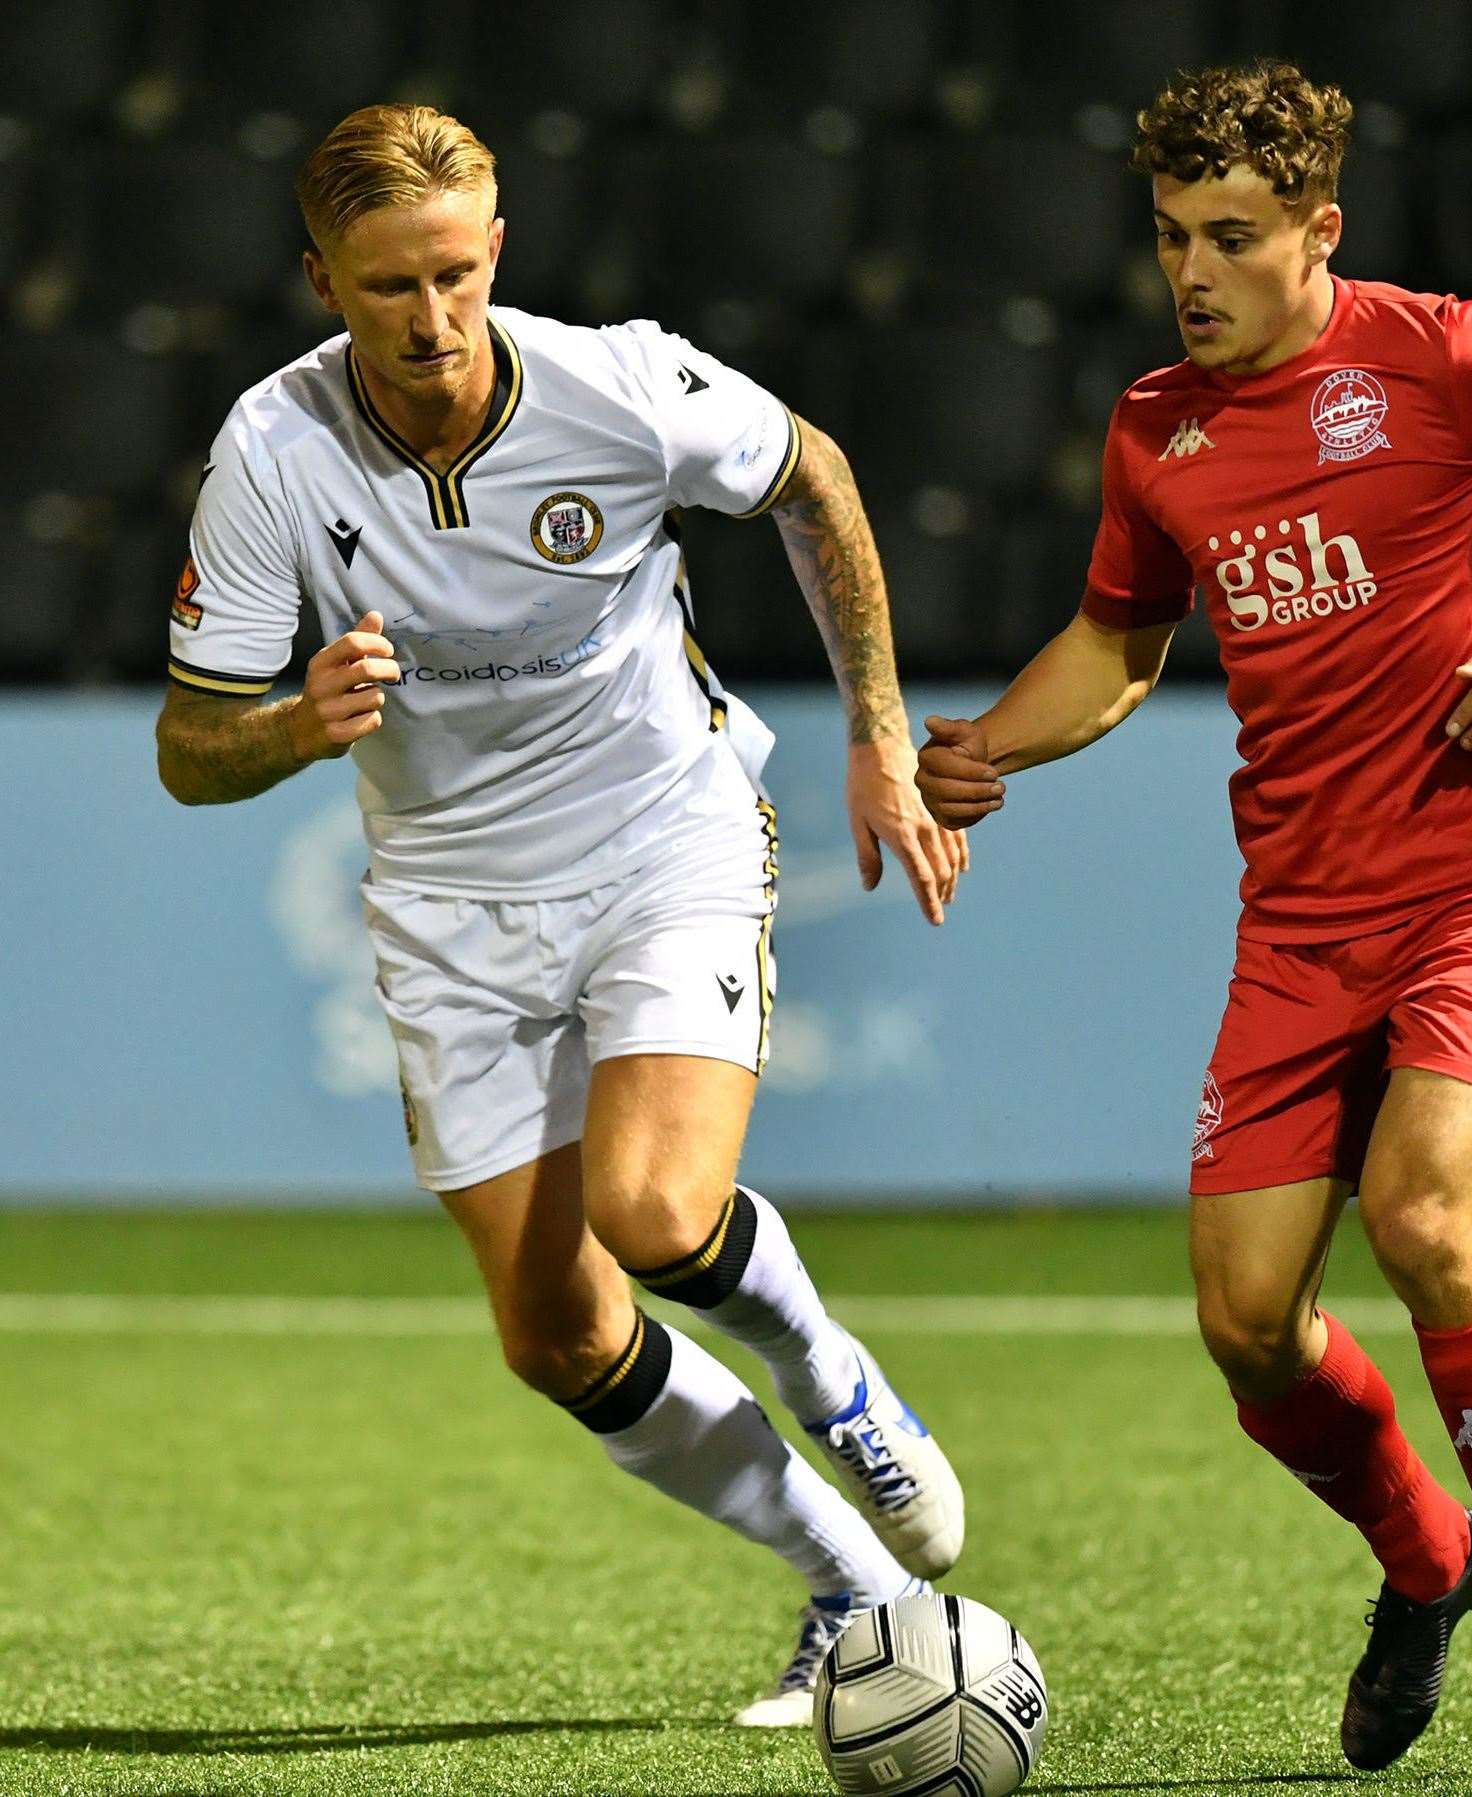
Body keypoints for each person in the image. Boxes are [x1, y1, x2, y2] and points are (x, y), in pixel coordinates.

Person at [916, 61, 1472, 1785]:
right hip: (1298, 913)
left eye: (1227, 238)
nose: (1188, 273)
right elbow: (1119, 649)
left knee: (1425, 1219)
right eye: (1166, 238)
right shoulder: (1154, 429)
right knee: (1242, 1316)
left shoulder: (1446, 352)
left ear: (1317, 234)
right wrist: (986, 743)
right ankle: (1431, 1558)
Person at [155, 103, 967, 1727]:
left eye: (457, 273)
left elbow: (815, 477)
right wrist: (294, 722)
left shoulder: (618, 386)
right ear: (322, 278)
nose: (432, 319)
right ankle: (854, 1586)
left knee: (661, 1213)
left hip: (660, 835)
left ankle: (829, 1373)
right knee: (554, 1333)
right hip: (448, 900)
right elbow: (191, 750)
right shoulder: (270, 451)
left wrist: (878, 731)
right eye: (388, 285)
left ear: (498, 247)